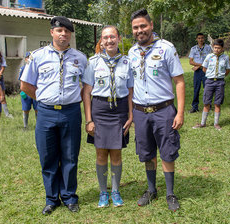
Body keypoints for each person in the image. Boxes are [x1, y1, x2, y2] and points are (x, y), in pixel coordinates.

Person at [20, 16, 87, 215]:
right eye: (59, 31)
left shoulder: (80, 58)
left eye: (67, 31)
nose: (63, 34)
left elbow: (87, 86)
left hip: (71, 113)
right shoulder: (37, 56)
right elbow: (25, 85)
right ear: (52, 32)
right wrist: (41, 100)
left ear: (70, 34)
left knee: (70, 157)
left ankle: (69, 197)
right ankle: (51, 199)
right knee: (48, 157)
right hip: (46, 113)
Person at [128, 9, 185, 211]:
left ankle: (170, 193)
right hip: (141, 112)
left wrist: (180, 113)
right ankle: (152, 190)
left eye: (143, 26)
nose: (139, 30)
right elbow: (131, 86)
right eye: (136, 27)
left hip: (164, 110)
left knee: (167, 152)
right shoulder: (132, 52)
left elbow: (179, 81)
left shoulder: (166, 48)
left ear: (151, 26)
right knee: (147, 152)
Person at [82, 25, 133, 208]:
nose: (109, 40)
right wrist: (89, 120)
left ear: (119, 38)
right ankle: (103, 192)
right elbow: (86, 92)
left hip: (119, 111)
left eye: (113, 37)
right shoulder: (93, 62)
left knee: (117, 153)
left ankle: (116, 191)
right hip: (100, 110)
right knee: (101, 153)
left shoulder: (127, 62)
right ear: (101, 41)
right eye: (105, 37)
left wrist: (131, 115)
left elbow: (130, 91)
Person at [193, 39, 230, 130]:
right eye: (215, 48)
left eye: (218, 48)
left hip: (220, 82)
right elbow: (204, 68)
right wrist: (211, 76)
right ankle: (203, 123)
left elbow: (227, 70)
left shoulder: (226, 58)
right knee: (206, 102)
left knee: (217, 103)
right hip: (209, 82)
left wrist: (220, 76)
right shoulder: (209, 56)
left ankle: (216, 124)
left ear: (222, 48)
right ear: (213, 47)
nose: (216, 50)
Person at [189, 33, 212, 113]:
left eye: (202, 38)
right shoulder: (193, 49)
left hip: (206, 71)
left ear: (204, 39)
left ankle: (209, 106)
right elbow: (191, 62)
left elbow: (210, 60)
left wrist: (199, 65)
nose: (200, 39)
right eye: (199, 38)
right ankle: (194, 107)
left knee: (207, 89)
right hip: (198, 72)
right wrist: (200, 65)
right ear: (196, 39)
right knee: (196, 89)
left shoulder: (208, 48)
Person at [18, 51, 38, 129]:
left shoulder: (37, 67)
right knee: (25, 109)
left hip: (35, 90)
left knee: (37, 109)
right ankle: (25, 126)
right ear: (25, 59)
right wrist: (22, 91)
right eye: (27, 58)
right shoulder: (23, 68)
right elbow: (21, 80)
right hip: (26, 92)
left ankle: (38, 125)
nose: (29, 59)